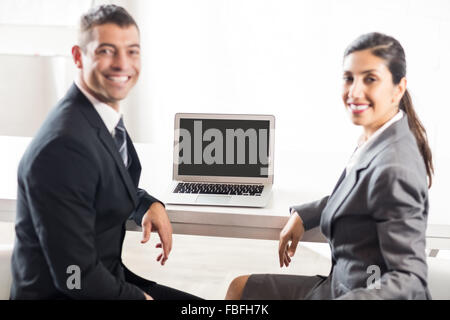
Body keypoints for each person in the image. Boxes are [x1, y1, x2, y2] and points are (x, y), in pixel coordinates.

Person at [10, 4, 201, 300]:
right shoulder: (62, 148)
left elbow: (96, 183)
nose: (122, 64)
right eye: (106, 51)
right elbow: (74, 277)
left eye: (132, 51)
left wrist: (146, 204)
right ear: (78, 56)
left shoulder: (97, 116)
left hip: (108, 279)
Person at [225, 32, 434, 300]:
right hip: (339, 284)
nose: (355, 91)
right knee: (240, 289)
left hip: (350, 294)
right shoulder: (378, 138)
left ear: (398, 88)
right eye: (349, 78)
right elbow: (359, 197)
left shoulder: (395, 167)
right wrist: (305, 214)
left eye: (370, 79)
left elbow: (409, 278)